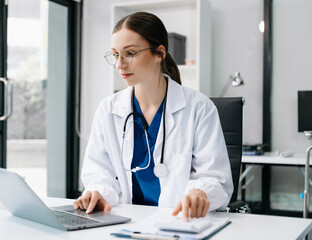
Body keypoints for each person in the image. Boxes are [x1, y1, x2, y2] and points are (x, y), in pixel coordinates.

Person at [73, 11, 233, 221]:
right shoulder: (108, 109)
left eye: (130, 53)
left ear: (159, 53)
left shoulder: (199, 108)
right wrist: (98, 193)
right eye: (115, 55)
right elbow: (99, 172)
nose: (120, 64)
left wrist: (200, 192)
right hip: (124, 221)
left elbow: (215, 178)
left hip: (180, 223)